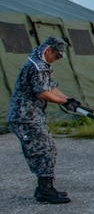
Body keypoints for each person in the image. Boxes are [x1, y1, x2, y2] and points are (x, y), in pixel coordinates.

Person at [7, 37, 80, 204]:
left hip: (32, 114)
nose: (58, 59)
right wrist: (63, 102)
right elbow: (42, 92)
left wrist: (69, 99)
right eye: (57, 55)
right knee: (43, 150)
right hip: (24, 115)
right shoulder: (37, 66)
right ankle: (45, 190)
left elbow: (51, 88)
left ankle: (44, 188)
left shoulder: (42, 65)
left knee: (47, 149)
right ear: (48, 50)